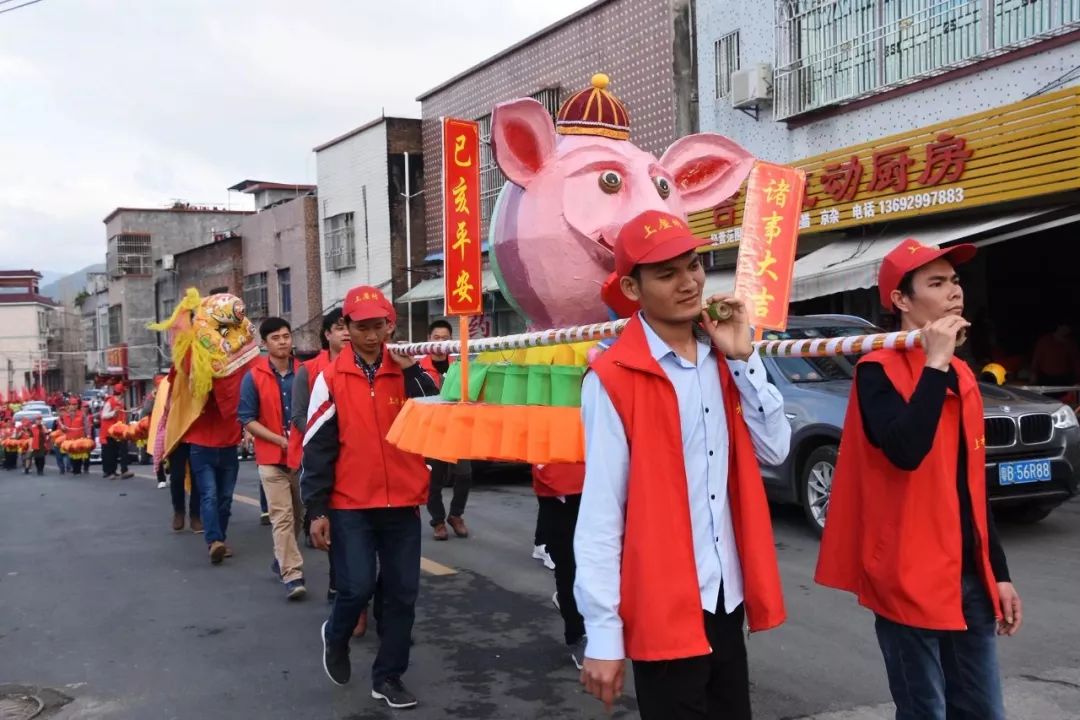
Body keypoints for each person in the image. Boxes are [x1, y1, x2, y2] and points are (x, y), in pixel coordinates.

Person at [575, 210, 789, 719]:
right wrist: (604, 633)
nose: (689, 282)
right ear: (632, 286)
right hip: (663, 604)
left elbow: (776, 449)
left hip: (725, 598)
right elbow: (603, 513)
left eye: (693, 265)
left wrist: (743, 357)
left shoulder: (723, 359)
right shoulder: (612, 379)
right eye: (667, 273)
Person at [816, 238, 1021, 720]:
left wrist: (1000, 573)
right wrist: (935, 363)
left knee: (984, 709)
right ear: (901, 301)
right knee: (924, 709)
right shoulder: (877, 371)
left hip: (967, 573)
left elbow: (971, 483)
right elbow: (906, 451)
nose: (954, 291)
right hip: (906, 573)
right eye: (936, 282)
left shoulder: (964, 374)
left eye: (954, 280)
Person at [301, 285, 439, 709]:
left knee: (401, 593)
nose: (371, 335)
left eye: (379, 325)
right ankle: (336, 634)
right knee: (357, 586)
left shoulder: (408, 370)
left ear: (389, 324)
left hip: (402, 501)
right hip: (350, 504)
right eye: (361, 327)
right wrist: (317, 509)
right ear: (345, 328)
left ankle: (389, 677)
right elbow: (317, 447)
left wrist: (414, 370)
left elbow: (435, 414)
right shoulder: (329, 379)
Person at [239, 317, 307, 601]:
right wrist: (278, 439)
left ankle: (281, 559)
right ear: (264, 344)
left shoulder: (306, 372)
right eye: (276, 338)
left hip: (302, 458)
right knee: (282, 517)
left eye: (286, 336)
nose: (283, 342)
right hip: (271, 458)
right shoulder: (253, 376)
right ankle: (293, 575)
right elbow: (247, 419)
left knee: (300, 517)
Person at [183, 347, 258, 565]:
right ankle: (214, 541)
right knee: (210, 495)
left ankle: (220, 539)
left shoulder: (236, 381)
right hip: (200, 446)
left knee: (225, 499)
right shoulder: (196, 380)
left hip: (227, 447)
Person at [418, 319, 472, 541]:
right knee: (434, 480)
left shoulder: (460, 366)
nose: (441, 343)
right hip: (431, 433)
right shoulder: (418, 368)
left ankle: (456, 515)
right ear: (429, 340)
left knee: (465, 474)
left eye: (445, 339)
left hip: (457, 430)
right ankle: (438, 521)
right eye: (436, 338)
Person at [534, 462, 587, 669]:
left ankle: (570, 604)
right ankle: (576, 635)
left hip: (597, 481)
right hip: (558, 487)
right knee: (568, 566)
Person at [100, 383, 133, 480]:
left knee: (123, 450)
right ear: (121, 393)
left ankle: (124, 470)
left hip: (119, 431)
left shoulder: (121, 403)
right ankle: (111, 472)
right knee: (111, 453)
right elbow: (104, 415)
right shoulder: (110, 402)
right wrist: (113, 412)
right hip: (109, 432)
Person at [58, 397, 91, 475]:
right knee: (71, 455)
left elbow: (86, 425)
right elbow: (61, 425)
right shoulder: (65, 415)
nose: (73, 406)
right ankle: (74, 468)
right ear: (69, 405)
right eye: (72, 404)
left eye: (75, 404)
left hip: (79, 437)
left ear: (77, 405)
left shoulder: (82, 414)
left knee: (79, 454)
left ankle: (78, 470)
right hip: (69, 438)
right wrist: (62, 428)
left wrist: (88, 434)